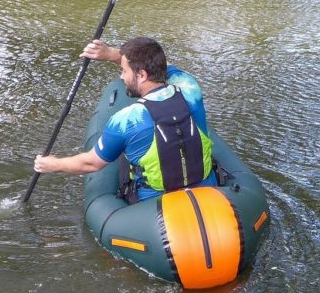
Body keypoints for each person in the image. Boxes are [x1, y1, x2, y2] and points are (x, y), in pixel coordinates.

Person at [34, 36, 216, 202]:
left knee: (124, 161)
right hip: (207, 191)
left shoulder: (126, 120)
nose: (121, 76)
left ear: (142, 75)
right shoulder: (190, 88)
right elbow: (163, 65)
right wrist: (110, 54)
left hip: (156, 204)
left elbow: (90, 163)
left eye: (124, 70)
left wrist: (52, 164)